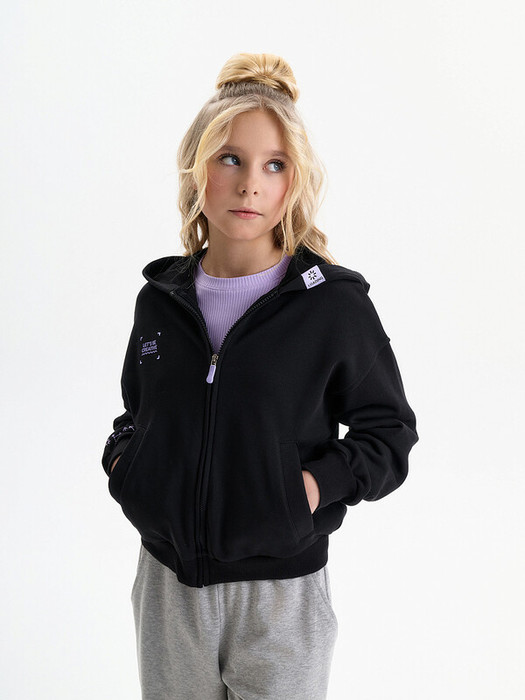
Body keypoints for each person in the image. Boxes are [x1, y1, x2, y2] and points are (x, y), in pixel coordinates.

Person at [102, 52, 419, 700]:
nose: (250, 184)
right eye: (230, 159)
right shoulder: (160, 300)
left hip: (280, 594)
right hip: (167, 588)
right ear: (197, 168)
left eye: (274, 164)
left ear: (294, 180)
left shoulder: (331, 305)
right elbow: (138, 414)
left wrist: (308, 489)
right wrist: (126, 466)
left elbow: (388, 434)